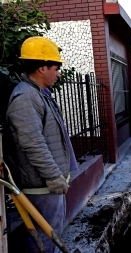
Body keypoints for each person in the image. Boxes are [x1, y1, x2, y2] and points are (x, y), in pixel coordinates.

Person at [6, 36, 77, 252]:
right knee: (45, 240)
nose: (58, 73)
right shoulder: (25, 98)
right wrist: (54, 176)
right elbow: (33, 143)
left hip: (47, 184)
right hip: (42, 185)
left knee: (51, 235)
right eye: (55, 68)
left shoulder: (39, 94)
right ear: (42, 67)